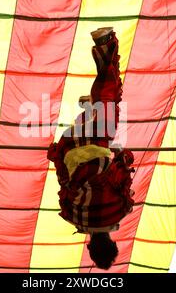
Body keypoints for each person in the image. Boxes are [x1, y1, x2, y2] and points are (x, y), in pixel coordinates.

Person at [47, 28, 135, 270]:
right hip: (71, 145)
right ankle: (89, 109)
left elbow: (119, 173)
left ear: (112, 242)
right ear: (89, 246)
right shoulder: (72, 216)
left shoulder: (121, 209)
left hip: (97, 143)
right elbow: (65, 183)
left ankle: (105, 45)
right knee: (99, 115)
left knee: (109, 101)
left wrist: (121, 156)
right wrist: (59, 158)